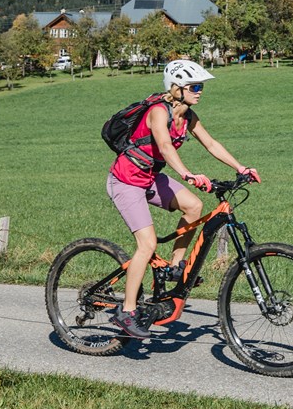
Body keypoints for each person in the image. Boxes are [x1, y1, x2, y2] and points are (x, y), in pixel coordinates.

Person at [107, 59, 260, 338]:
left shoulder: (188, 116)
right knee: (147, 244)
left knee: (194, 206)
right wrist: (187, 174)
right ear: (176, 88)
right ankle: (127, 311)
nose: (200, 92)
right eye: (195, 87)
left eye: (201, 87)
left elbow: (210, 143)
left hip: (150, 177)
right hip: (126, 181)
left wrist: (241, 168)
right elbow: (165, 147)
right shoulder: (157, 112)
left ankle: (176, 266)